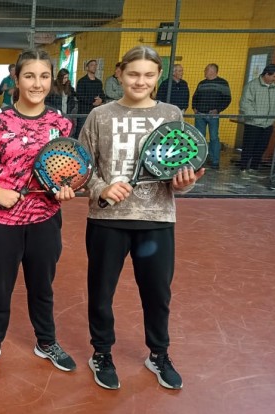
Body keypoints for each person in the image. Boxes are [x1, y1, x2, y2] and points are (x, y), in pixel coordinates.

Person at [79, 45, 205, 391]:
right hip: (107, 222)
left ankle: (159, 354)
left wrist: (185, 182)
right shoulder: (100, 116)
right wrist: (102, 189)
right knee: (101, 292)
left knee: (157, 293)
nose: (140, 81)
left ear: (158, 77)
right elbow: (82, 168)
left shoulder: (171, 114)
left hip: (157, 220)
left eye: (149, 75)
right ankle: (101, 352)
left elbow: (178, 171)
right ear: (119, 74)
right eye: (133, 73)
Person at [0, 48, 77, 376]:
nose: (37, 83)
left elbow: (67, 169)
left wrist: (66, 188)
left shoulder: (62, 123)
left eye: (44, 76)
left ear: (52, 79)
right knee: (0, 286)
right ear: (17, 78)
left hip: (45, 220)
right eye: (30, 76)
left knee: (43, 286)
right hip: (2, 221)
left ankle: (46, 342)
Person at [238, 63, 275, 175]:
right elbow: (245, 104)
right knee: (249, 146)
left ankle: (254, 168)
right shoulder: (252, 85)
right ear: (267, 74)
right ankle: (243, 168)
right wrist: (255, 117)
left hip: (268, 123)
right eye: (274, 76)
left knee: (261, 147)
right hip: (253, 123)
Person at [192, 63, 231, 169]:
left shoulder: (223, 83)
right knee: (199, 138)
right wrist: (194, 107)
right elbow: (195, 96)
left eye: (206, 70)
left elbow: (227, 99)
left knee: (214, 137)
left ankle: (214, 160)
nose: (204, 72)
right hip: (200, 114)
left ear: (212, 71)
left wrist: (218, 110)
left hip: (213, 115)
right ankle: (199, 160)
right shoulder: (201, 83)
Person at [75, 59, 104, 138]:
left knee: (94, 132)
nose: (94, 67)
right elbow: (79, 96)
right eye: (92, 65)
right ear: (87, 67)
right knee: (81, 131)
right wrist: (92, 102)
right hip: (83, 111)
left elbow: (102, 95)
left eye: (95, 65)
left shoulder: (98, 82)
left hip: (95, 112)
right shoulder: (82, 81)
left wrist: (101, 100)